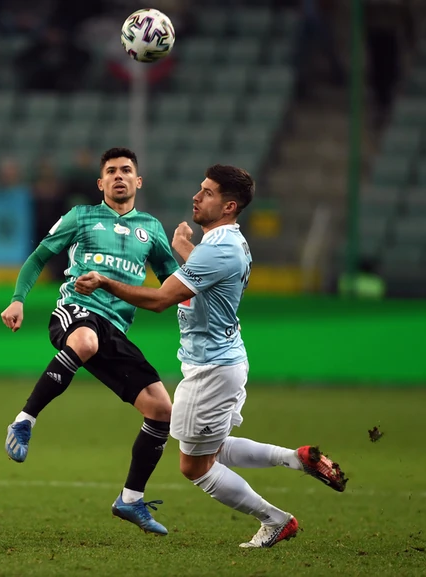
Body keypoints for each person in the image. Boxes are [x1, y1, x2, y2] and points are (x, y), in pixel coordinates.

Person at [75, 165, 348, 548]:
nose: (196, 196)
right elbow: (204, 269)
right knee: (213, 447)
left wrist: (105, 282)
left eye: (207, 192)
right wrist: (183, 248)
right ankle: (296, 458)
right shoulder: (226, 243)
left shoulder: (219, 248)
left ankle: (276, 520)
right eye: (200, 189)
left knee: (195, 467)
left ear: (228, 206)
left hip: (210, 370)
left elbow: (160, 300)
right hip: (225, 362)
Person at [0, 148, 179, 535]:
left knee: (162, 409)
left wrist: (189, 262)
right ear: (101, 183)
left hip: (115, 330)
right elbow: (38, 257)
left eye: (126, 170)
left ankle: (130, 499)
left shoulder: (151, 229)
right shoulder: (80, 217)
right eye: (111, 171)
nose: (119, 176)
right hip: (76, 311)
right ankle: (24, 421)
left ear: (138, 181)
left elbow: (174, 284)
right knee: (85, 341)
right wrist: (17, 299)